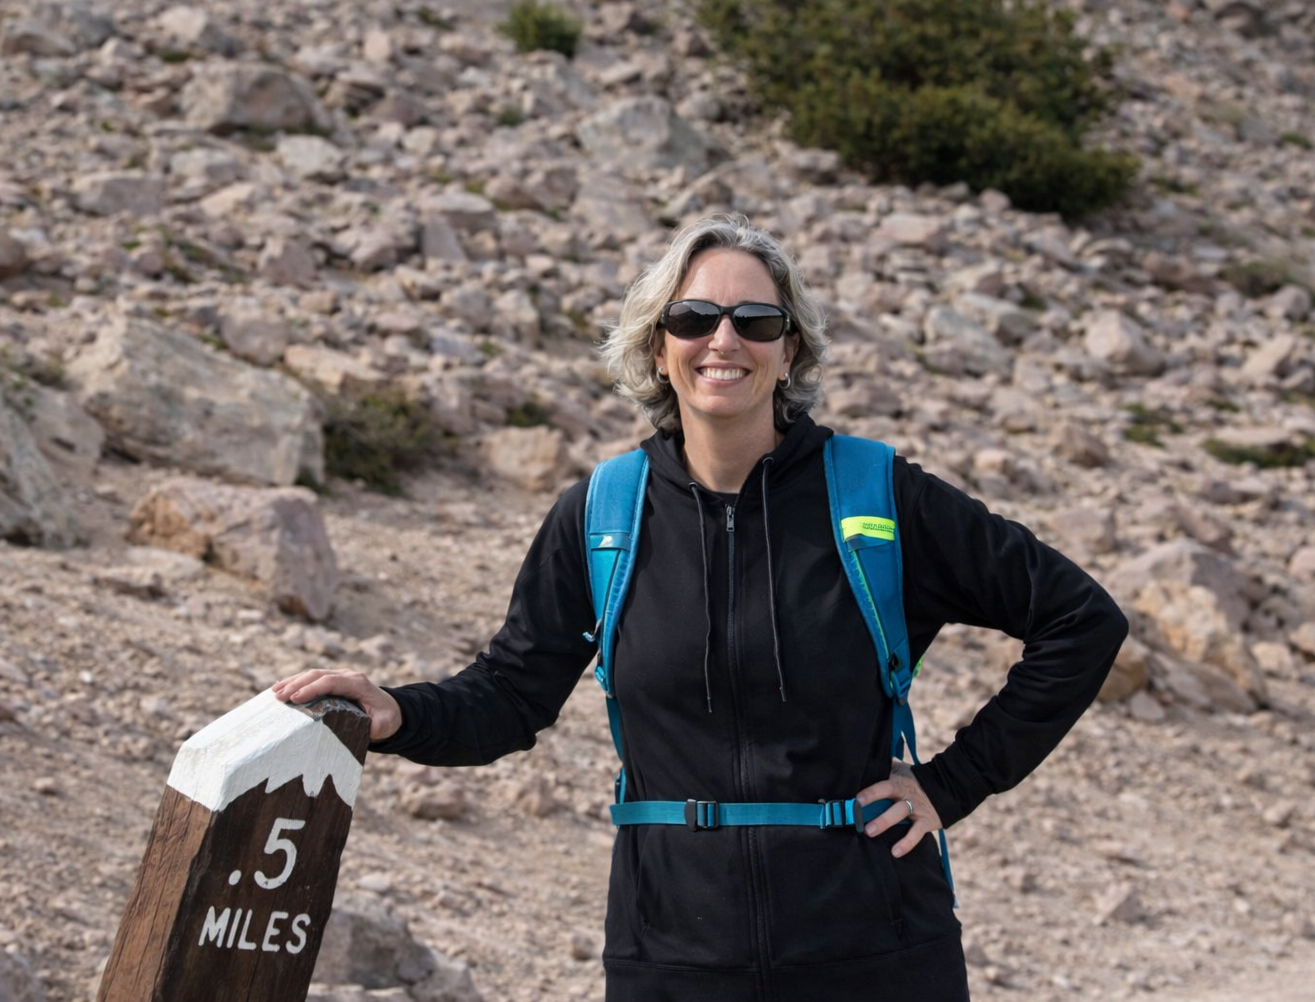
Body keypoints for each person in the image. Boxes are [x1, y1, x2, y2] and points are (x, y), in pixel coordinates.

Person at [274, 214, 1129, 1001]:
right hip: (671, 962)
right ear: (657, 348)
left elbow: (1081, 620)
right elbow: (508, 696)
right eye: (692, 320)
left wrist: (954, 783)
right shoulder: (600, 515)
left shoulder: (881, 496)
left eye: (756, 322)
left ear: (789, 352)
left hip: (876, 953)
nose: (724, 341)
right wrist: (396, 712)